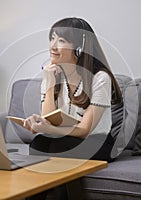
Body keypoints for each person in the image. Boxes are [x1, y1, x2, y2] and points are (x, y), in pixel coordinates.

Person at [23, 17, 123, 199]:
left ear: (79, 48)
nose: (53, 46)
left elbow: (85, 130)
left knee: (60, 147)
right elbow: (48, 117)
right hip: (65, 137)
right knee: (38, 144)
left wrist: (49, 128)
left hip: (99, 141)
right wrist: (51, 83)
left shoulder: (100, 78)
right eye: (52, 38)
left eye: (61, 40)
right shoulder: (51, 74)